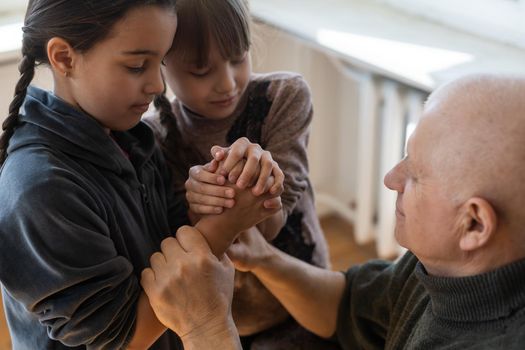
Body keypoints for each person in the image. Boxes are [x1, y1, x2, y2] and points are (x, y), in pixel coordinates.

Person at [141, 74, 525, 349]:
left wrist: (206, 329)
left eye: (417, 173)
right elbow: (349, 305)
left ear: (474, 224)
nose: (392, 178)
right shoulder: (448, 265)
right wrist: (264, 258)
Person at [0, 1, 280, 349]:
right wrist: (224, 224)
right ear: (64, 57)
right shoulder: (40, 190)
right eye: (136, 66)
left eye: (160, 62)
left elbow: (176, 239)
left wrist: (223, 190)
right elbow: (125, 338)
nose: (158, 85)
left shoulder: (131, 138)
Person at [144, 0, 332, 346]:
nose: (228, 83)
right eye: (202, 71)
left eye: (238, 58)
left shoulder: (283, 96)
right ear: (161, 64)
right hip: (220, 322)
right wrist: (199, 205)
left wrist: (256, 179)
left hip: (305, 296)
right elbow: (191, 252)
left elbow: (273, 225)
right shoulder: (153, 139)